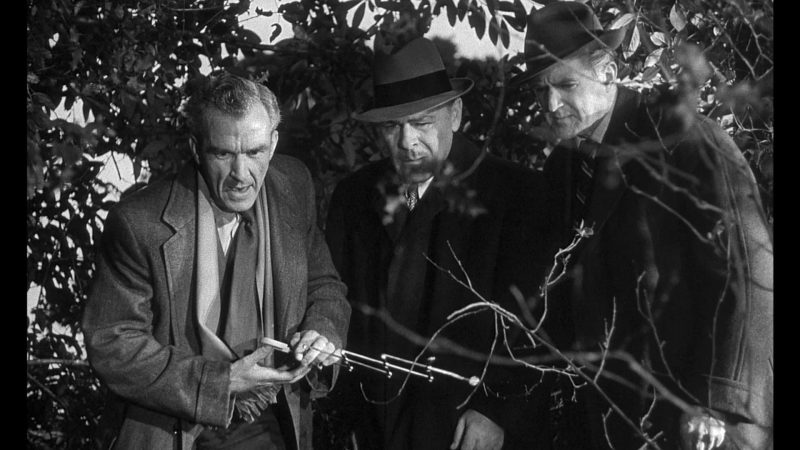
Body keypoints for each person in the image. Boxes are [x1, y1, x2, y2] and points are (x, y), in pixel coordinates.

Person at [514, 3, 773, 449]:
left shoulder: (685, 138)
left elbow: (749, 275)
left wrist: (715, 402)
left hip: (706, 422)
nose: (551, 104)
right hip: (617, 422)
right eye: (540, 91)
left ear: (609, 71)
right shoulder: (562, 169)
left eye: (566, 84)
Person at [82, 72, 351, 450]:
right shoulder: (139, 222)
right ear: (196, 148)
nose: (242, 176)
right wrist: (220, 383)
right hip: (176, 429)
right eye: (223, 153)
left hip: (273, 421)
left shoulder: (293, 185)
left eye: (255, 152)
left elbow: (324, 286)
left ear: (273, 144)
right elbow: (112, 343)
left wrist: (322, 330)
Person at [325, 37, 558, 450]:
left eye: (422, 122)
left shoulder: (518, 195)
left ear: (455, 114)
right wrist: (346, 419)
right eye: (392, 126)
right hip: (375, 432)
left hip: (469, 433)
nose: (408, 142)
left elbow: (538, 325)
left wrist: (495, 410)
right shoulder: (353, 196)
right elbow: (337, 308)